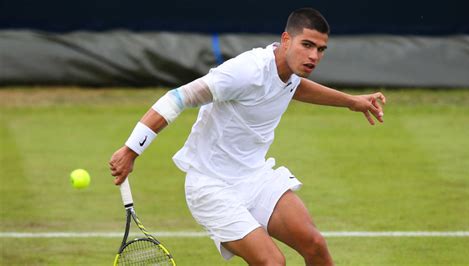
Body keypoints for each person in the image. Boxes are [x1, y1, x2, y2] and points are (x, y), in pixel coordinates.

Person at [109, 7, 386, 266]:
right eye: (307, 45)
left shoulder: (288, 73)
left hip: (255, 177)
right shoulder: (245, 72)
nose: (314, 56)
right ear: (286, 39)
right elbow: (178, 98)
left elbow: (295, 88)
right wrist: (131, 150)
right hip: (211, 187)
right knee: (273, 262)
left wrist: (352, 101)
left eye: (321, 49)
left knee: (315, 245)